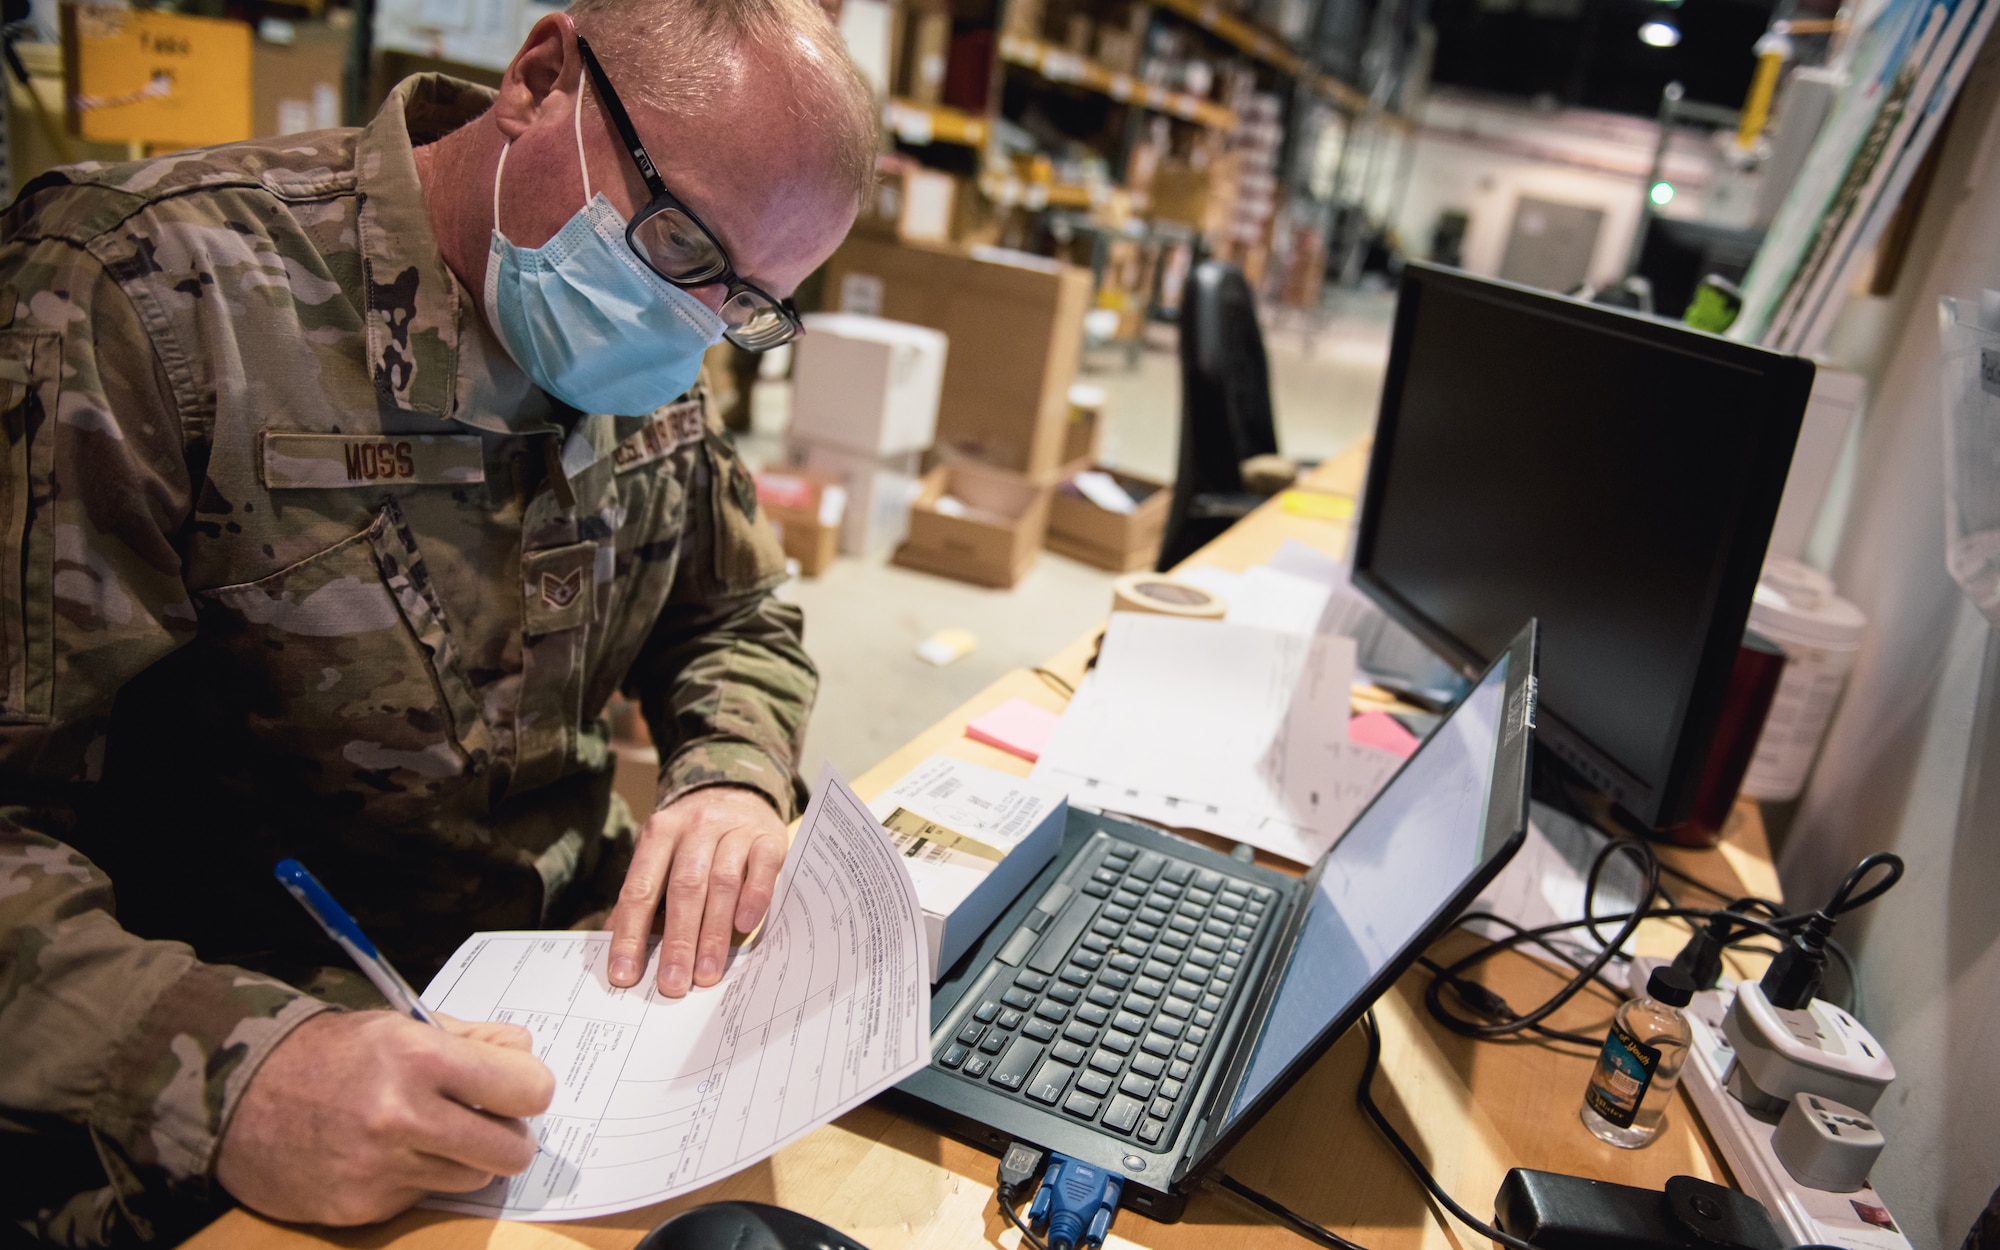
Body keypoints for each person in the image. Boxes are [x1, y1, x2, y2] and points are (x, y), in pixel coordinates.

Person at [0, 0, 876, 1242]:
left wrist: (731, 773)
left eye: (750, 302)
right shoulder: (142, 296)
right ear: (538, 80)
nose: (693, 329)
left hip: (574, 1011)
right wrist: (227, 1064)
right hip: (235, 1081)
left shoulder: (658, 334)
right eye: (681, 249)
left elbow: (731, 612)